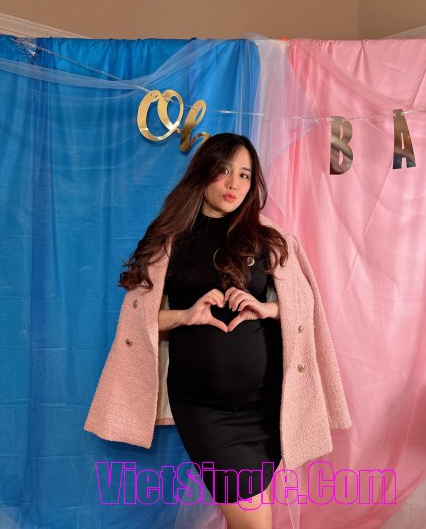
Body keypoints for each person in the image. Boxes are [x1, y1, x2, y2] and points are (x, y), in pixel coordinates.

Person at [84, 132, 351, 529]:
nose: (234, 184)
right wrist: (184, 315)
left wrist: (268, 308)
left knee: (251, 516)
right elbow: (136, 323)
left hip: (267, 404)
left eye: (244, 174)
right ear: (203, 171)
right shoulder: (170, 239)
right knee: (255, 523)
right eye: (224, 170)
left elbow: (306, 308)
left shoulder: (267, 237)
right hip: (204, 409)